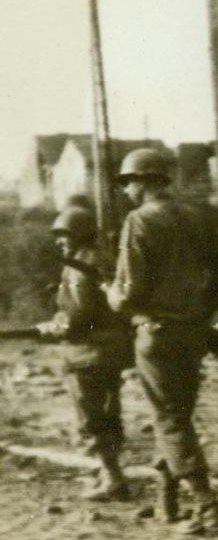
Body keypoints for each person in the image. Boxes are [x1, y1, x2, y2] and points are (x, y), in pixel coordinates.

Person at [106, 147, 218, 534]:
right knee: (176, 416)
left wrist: (112, 296)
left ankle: (207, 504)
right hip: (193, 334)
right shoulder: (199, 215)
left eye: (130, 181)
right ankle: (167, 500)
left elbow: (129, 291)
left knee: (169, 418)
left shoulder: (140, 220)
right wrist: (201, 312)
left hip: (156, 334)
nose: (128, 190)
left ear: (147, 181)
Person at [38, 203, 133, 501]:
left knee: (90, 418)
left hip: (87, 353)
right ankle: (111, 472)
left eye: (64, 234)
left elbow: (80, 313)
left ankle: (113, 478)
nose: (60, 241)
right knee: (108, 413)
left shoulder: (80, 264)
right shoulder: (101, 258)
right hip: (110, 350)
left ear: (79, 235)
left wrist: (55, 326)